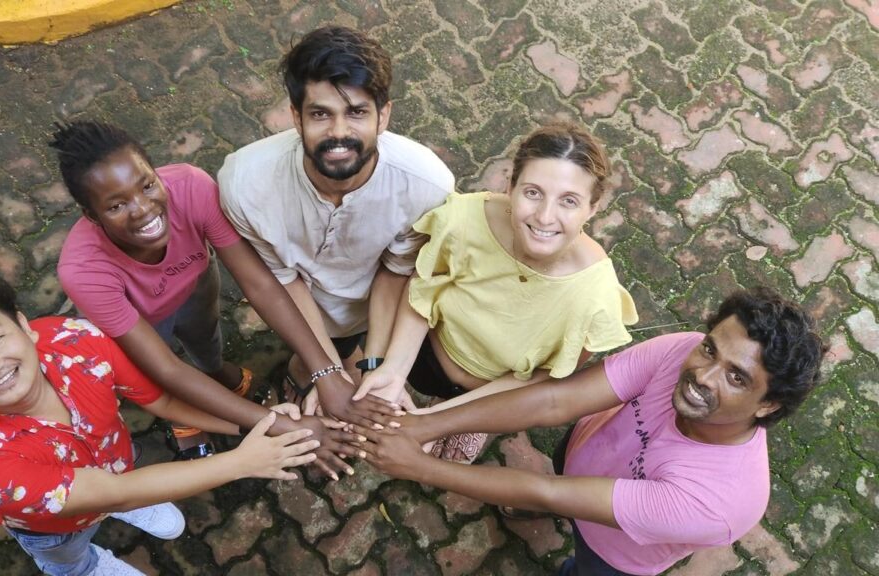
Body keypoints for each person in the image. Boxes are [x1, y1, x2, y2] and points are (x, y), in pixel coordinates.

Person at [358, 287, 825, 576]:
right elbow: (554, 400)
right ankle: (525, 512)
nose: (703, 375)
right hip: (583, 452)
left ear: (768, 404)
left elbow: (548, 493)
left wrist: (420, 464)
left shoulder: (718, 501)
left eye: (737, 377)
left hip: (616, 553)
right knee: (548, 488)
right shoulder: (682, 350)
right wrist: (421, 425)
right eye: (710, 350)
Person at [0, 271, 322, 575]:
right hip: (57, 528)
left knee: (129, 485)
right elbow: (116, 494)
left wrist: (246, 429)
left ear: (26, 329)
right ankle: (84, 569)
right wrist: (241, 462)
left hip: (117, 466)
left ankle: (139, 503)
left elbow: (164, 399)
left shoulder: (74, 339)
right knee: (66, 558)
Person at [52, 120, 396, 472]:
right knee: (154, 369)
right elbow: (168, 369)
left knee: (206, 338)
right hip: (138, 319)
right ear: (91, 216)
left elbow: (259, 284)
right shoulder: (84, 272)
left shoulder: (190, 186)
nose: (142, 209)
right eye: (116, 206)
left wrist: (326, 373)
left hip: (195, 285)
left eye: (147, 185)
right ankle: (184, 417)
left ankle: (214, 372)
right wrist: (277, 425)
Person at [353, 122, 638, 461]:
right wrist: (394, 371)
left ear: (593, 207)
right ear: (510, 186)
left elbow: (538, 380)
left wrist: (438, 420)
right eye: (533, 193)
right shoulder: (463, 220)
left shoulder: (595, 299)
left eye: (569, 201)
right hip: (423, 354)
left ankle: (474, 422)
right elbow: (423, 290)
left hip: (493, 392)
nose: (545, 217)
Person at [218, 25, 455, 415]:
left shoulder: (427, 187)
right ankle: (303, 368)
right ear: (296, 117)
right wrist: (325, 372)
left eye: (357, 112)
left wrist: (372, 367)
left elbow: (395, 273)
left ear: (384, 116)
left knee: (349, 348)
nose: (339, 133)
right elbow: (283, 280)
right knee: (313, 359)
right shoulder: (243, 184)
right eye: (320, 114)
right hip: (292, 304)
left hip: (369, 306)